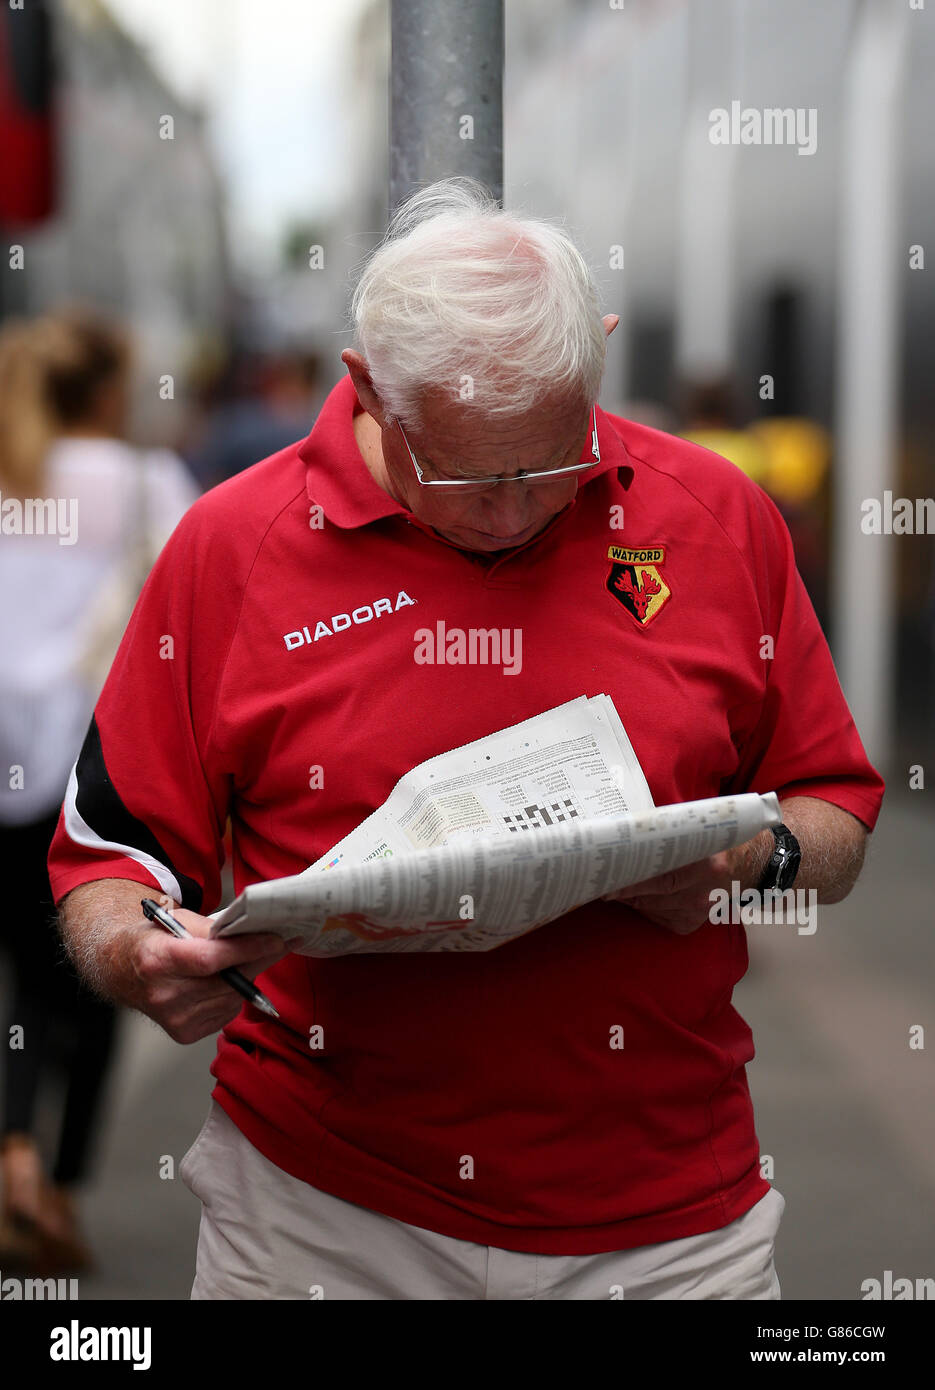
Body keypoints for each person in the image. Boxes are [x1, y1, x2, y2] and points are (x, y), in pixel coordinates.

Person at [48, 180, 884, 1300]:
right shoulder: (230, 547)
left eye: (545, 463)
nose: (507, 515)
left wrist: (750, 863)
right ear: (363, 389)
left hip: (668, 1214)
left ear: (597, 358)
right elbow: (112, 855)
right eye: (460, 473)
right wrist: (138, 952)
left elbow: (828, 808)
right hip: (319, 1210)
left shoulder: (717, 517)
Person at [0, 307, 199, 1272]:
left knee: (9, 980)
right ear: (113, 390)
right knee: (78, 980)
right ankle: (57, 1180)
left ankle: (11, 1153)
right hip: (84, 768)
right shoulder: (141, 480)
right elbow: (193, 603)